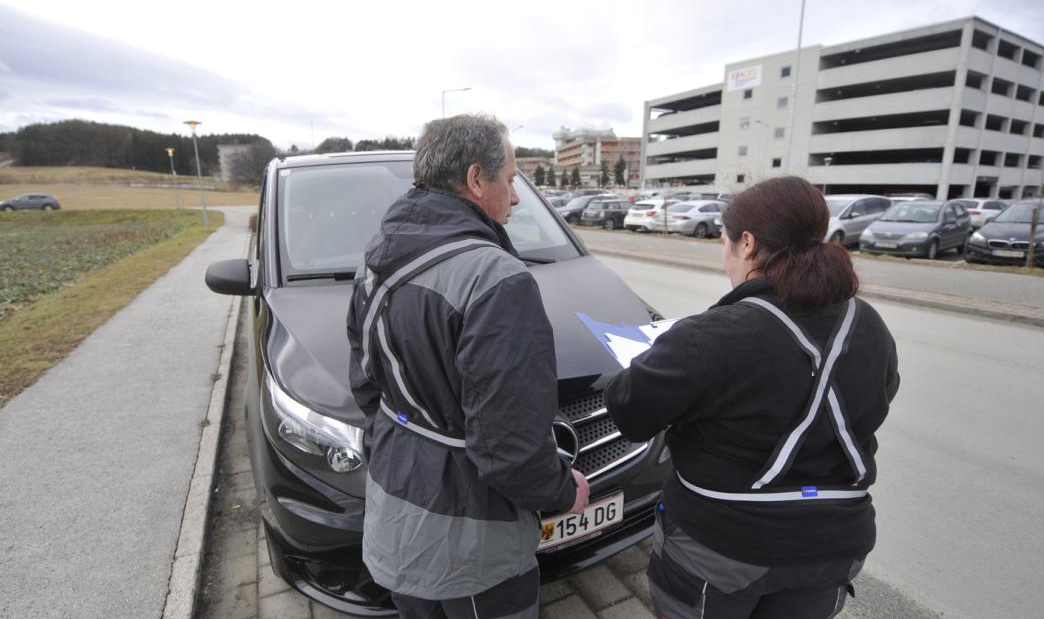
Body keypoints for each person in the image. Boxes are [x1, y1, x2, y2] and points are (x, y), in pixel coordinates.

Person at [604, 176, 900, 618]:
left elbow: (630, 410)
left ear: (746, 243)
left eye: (723, 241)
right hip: (833, 545)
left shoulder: (713, 334)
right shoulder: (868, 322)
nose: (724, 257)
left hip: (723, 547)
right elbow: (880, 397)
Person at [347, 114, 590, 619]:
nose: (517, 195)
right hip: (476, 546)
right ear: (478, 179)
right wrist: (563, 489)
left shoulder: (375, 257)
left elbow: (368, 380)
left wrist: (397, 445)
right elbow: (509, 444)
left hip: (396, 514)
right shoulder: (495, 277)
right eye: (512, 177)